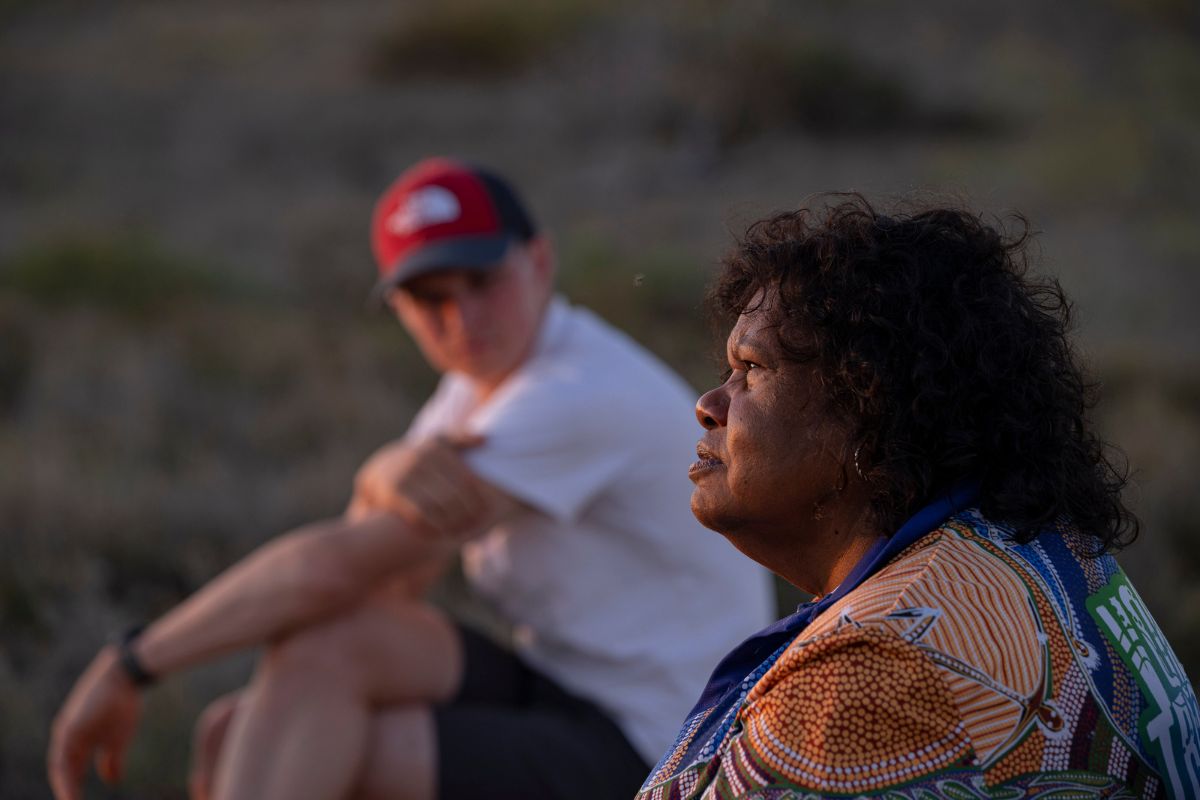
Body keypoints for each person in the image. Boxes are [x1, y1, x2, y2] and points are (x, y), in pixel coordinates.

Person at [47, 158, 773, 800]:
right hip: (566, 691)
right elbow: (374, 591)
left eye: (483, 280)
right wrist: (383, 469)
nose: (463, 318)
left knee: (325, 743)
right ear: (396, 306)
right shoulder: (479, 384)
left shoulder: (573, 392)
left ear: (541, 262)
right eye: (429, 297)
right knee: (266, 705)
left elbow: (334, 570)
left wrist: (131, 663)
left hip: (667, 745)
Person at [638, 196, 1200, 799]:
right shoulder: (1038, 554)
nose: (709, 405)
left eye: (751, 368)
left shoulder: (870, 674)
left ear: (867, 405)